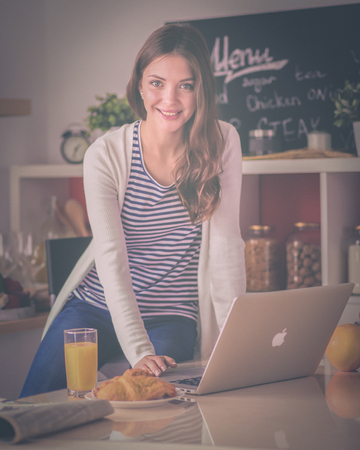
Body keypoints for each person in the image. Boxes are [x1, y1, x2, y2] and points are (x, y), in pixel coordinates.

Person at [20, 23, 246, 397]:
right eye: (157, 83)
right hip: (95, 306)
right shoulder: (105, 155)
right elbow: (112, 258)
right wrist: (139, 350)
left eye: (185, 85)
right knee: (31, 406)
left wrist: (236, 346)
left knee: (151, 409)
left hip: (171, 315)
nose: (170, 99)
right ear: (140, 85)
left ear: (201, 88)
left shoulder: (221, 143)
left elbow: (226, 247)